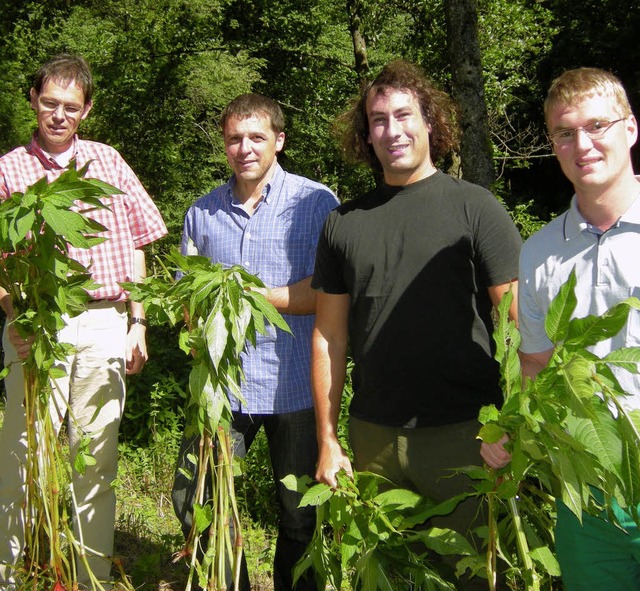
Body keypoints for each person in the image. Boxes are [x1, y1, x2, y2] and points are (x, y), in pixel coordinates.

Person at [311, 60, 521, 588]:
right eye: (378, 120)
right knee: (383, 576)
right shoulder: (343, 222)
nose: (392, 130)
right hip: (373, 437)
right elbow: (329, 336)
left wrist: (512, 425)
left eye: (404, 115)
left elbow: (521, 323)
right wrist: (328, 440)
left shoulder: (475, 208)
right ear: (367, 134)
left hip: (465, 436)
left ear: (431, 122)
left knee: (473, 576)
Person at [0, 54, 168, 589]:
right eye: (49, 103)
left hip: (105, 321)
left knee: (95, 453)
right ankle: (10, 571)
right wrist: (15, 316)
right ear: (33, 101)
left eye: (70, 106)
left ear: (86, 110)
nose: (58, 115)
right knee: (22, 452)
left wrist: (138, 321)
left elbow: (140, 243)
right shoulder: (8, 170)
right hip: (36, 324)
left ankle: (90, 574)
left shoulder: (107, 161)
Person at [171, 93, 338, 591]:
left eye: (257, 137)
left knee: (299, 512)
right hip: (224, 389)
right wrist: (194, 318)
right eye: (234, 138)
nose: (245, 148)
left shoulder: (317, 203)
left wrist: (254, 295)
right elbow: (187, 298)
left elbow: (330, 291)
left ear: (279, 141)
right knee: (196, 498)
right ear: (224, 145)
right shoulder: (201, 214)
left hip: (295, 386)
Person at [482, 67, 640, 590]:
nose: (583, 145)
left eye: (598, 126)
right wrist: (514, 432)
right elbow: (537, 366)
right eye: (566, 133)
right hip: (588, 490)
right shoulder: (542, 250)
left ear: (630, 129)